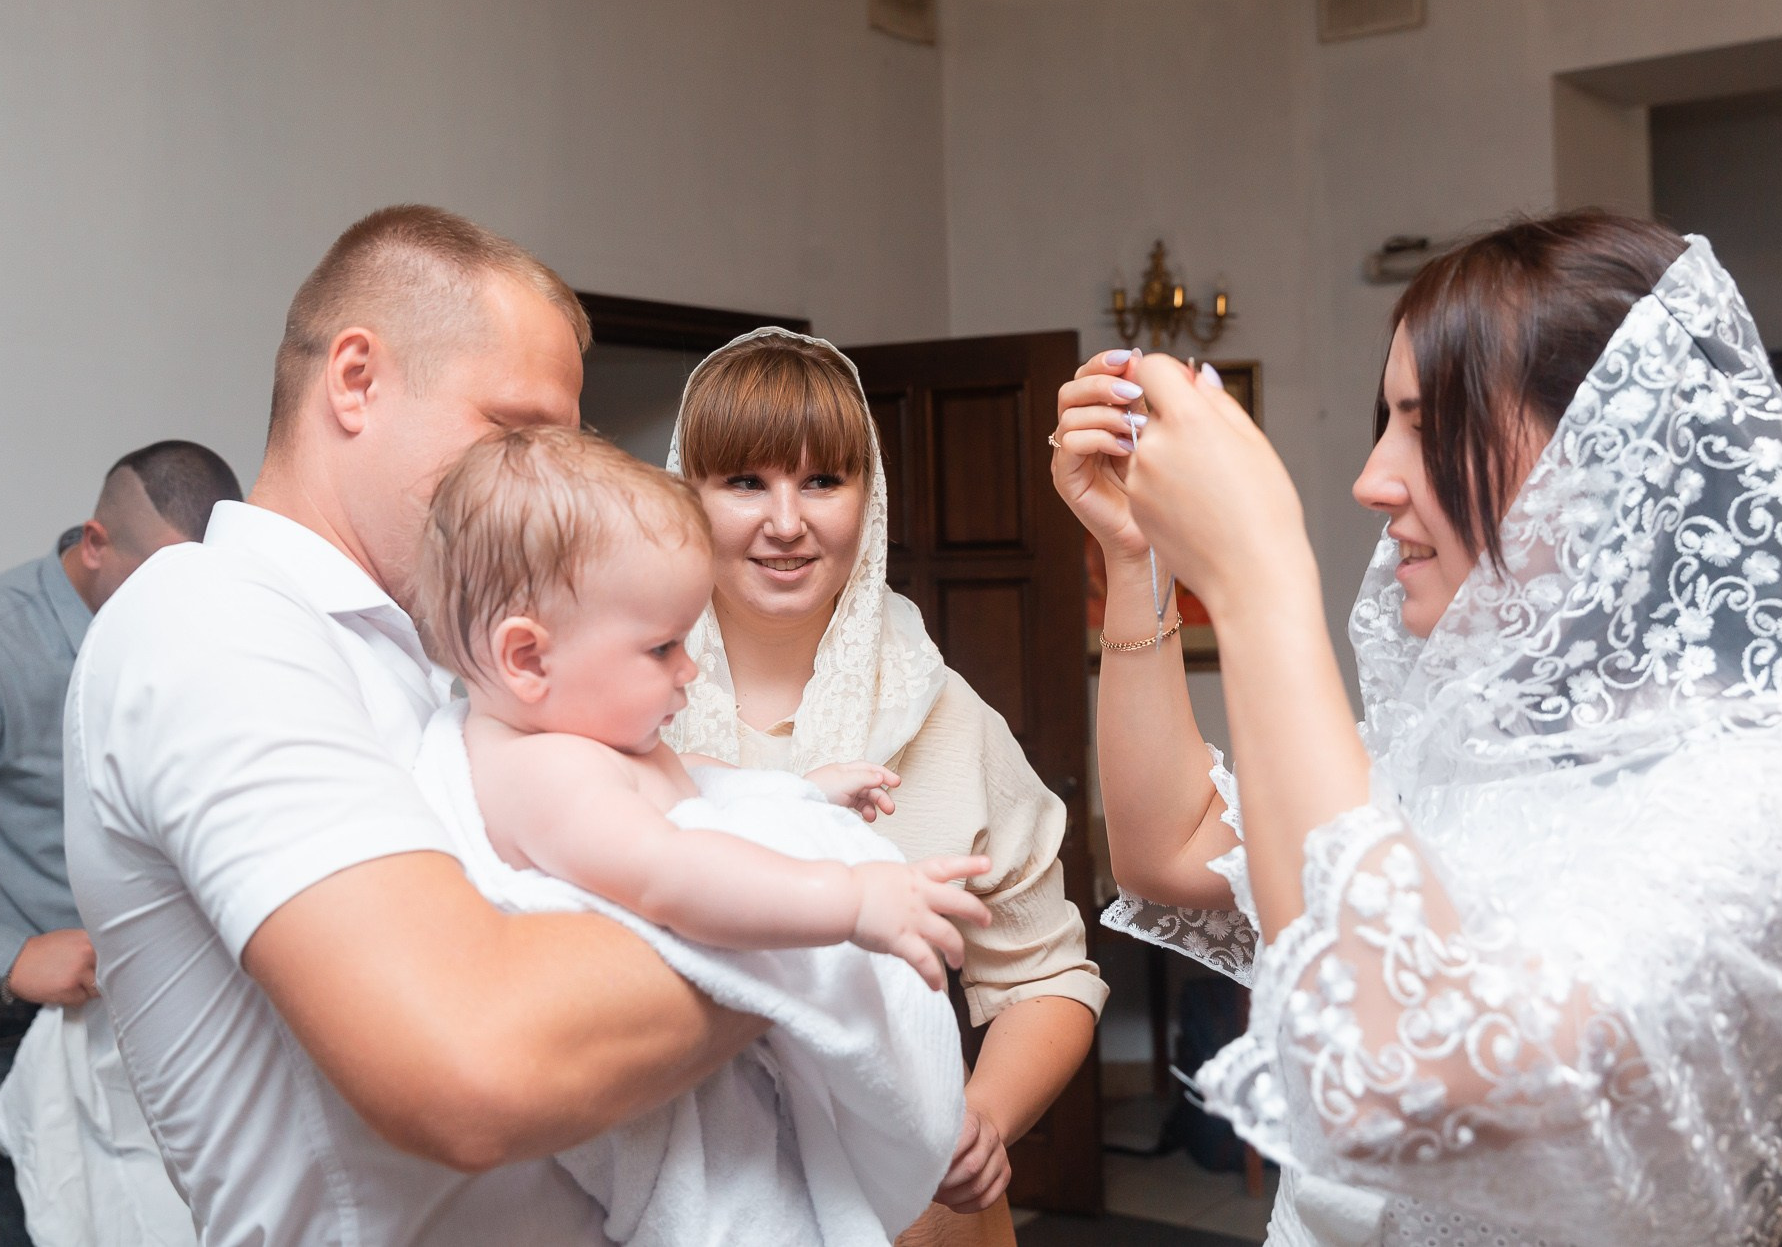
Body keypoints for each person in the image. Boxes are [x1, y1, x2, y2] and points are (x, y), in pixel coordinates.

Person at [1056, 211, 1782, 1246]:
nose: (1373, 478)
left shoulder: (1771, 782)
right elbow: (1168, 851)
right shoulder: (1468, 735)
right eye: (1387, 420)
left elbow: (1402, 1076)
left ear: (1607, 456)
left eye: (1429, 426)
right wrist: (1136, 555)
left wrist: (1259, 580)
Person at [63, 205, 765, 1247]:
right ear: (356, 381)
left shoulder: (447, 653)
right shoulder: (206, 617)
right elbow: (477, 1062)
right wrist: (814, 926)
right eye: (515, 433)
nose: (541, 479)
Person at [412, 425, 988, 1244]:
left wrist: (798, 793)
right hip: (684, 1135)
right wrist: (850, 897)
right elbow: (668, 871)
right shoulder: (542, 774)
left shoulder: (585, 739)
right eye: (662, 647)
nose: (688, 668)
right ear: (528, 659)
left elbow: (694, 782)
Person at [665, 328, 1108, 1245]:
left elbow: (1048, 974)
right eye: (744, 481)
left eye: (823, 480)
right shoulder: (616, 708)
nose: (786, 521)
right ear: (686, 494)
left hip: (917, 1214)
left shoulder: (943, 713)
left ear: (869, 498)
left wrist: (985, 1116)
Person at [0, 439, 239, 1245]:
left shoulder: (203, 635)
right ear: (95, 543)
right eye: (161, 577)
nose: (185, 606)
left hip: (151, 1009)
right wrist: (10, 954)